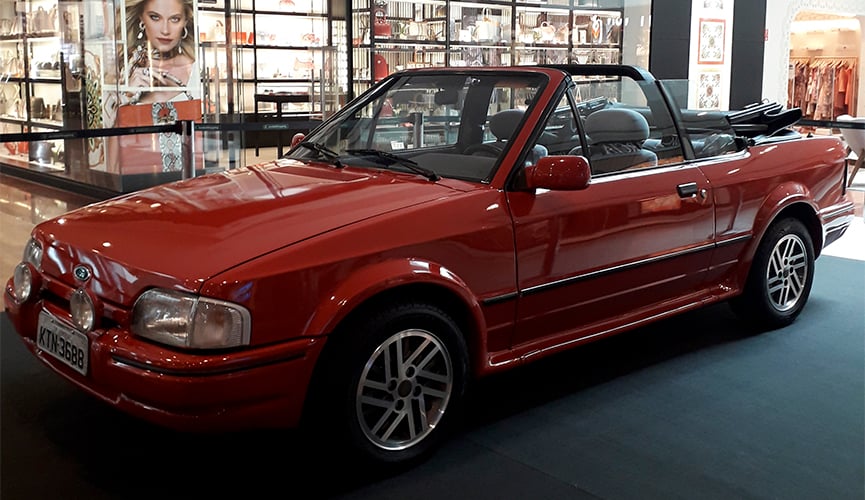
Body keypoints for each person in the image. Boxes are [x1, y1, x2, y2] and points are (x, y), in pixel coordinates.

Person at [121, 0, 197, 105]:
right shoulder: (123, 67)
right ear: (141, 18)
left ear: (185, 21)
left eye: (175, 19)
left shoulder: (196, 69)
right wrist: (127, 96)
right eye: (155, 17)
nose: (165, 30)